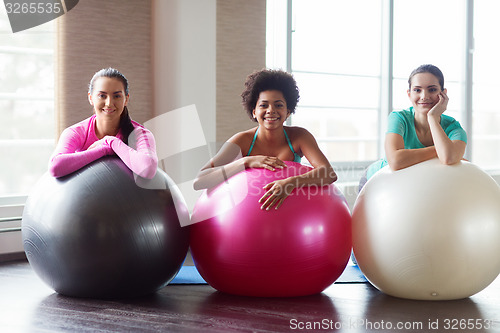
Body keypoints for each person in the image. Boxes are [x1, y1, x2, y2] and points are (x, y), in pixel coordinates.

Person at [193, 69, 337, 210]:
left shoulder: (299, 136)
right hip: (248, 215)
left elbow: (328, 173)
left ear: (287, 112)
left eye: (278, 105)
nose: (271, 110)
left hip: (291, 214)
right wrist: (246, 161)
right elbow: (199, 180)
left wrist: (291, 182)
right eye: (264, 105)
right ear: (254, 112)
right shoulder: (242, 140)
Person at [361, 64, 467, 189]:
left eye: (432, 89)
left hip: (416, 188)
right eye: (417, 90)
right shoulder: (399, 118)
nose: (424, 96)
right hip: (376, 182)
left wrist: (432, 117)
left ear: (443, 93)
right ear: (409, 94)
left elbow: (448, 158)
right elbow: (395, 161)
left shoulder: (454, 128)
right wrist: (441, 149)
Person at [49, 68, 158, 179]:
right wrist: (104, 150)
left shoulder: (140, 134)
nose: (109, 103)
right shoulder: (76, 132)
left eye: (117, 96)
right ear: (91, 98)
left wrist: (111, 142)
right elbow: (55, 166)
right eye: (102, 96)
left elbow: (148, 169)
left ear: (126, 99)